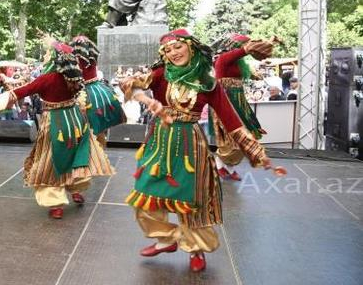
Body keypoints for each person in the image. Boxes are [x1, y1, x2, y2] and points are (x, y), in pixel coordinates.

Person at [120, 29, 275, 273]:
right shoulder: (161, 74)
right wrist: (131, 83)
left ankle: (196, 248)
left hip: (190, 145)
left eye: (178, 47)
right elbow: (138, 85)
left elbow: (231, 120)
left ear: (191, 47)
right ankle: (166, 239)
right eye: (168, 50)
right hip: (158, 142)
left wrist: (255, 151)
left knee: (191, 200)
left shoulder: (206, 81)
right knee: (145, 194)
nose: (173, 53)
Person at [0, 40, 115, 219]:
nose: (45, 57)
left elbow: (19, 93)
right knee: (75, 156)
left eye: (48, 54)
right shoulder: (74, 75)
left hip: (55, 122)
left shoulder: (46, 79)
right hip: (75, 121)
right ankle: (76, 189)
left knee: (49, 161)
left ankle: (55, 203)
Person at [209, 33, 273, 181]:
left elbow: (248, 70)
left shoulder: (238, 63)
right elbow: (241, 52)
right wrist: (248, 47)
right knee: (230, 137)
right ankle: (222, 166)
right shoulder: (223, 59)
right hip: (225, 100)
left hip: (238, 99)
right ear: (232, 46)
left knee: (242, 136)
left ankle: (225, 168)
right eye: (239, 45)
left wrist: (256, 74)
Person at [69, 35, 124, 145]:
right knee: (98, 127)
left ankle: (90, 150)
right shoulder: (92, 54)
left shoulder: (76, 58)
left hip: (83, 93)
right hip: (98, 91)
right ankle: (99, 150)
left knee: (84, 125)